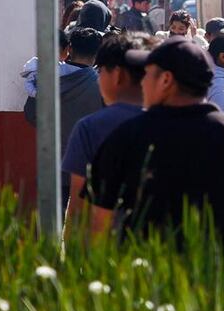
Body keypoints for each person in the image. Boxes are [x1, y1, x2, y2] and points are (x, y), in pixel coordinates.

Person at [83, 38, 224, 311]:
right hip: (222, 284)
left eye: (148, 75)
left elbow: (98, 223)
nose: (143, 84)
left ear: (166, 80)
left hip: (146, 285)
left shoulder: (124, 138)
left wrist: (99, 283)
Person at [61, 32, 154, 235]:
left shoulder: (90, 128)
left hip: (105, 245)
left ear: (117, 75)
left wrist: (72, 246)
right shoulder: (169, 122)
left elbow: (78, 203)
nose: (98, 79)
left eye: (101, 71)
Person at [22, 27, 105, 202]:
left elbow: (31, 114)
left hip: (53, 163)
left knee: (53, 217)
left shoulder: (47, 78)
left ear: (70, 49)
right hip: (86, 166)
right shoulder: (101, 85)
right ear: (97, 53)